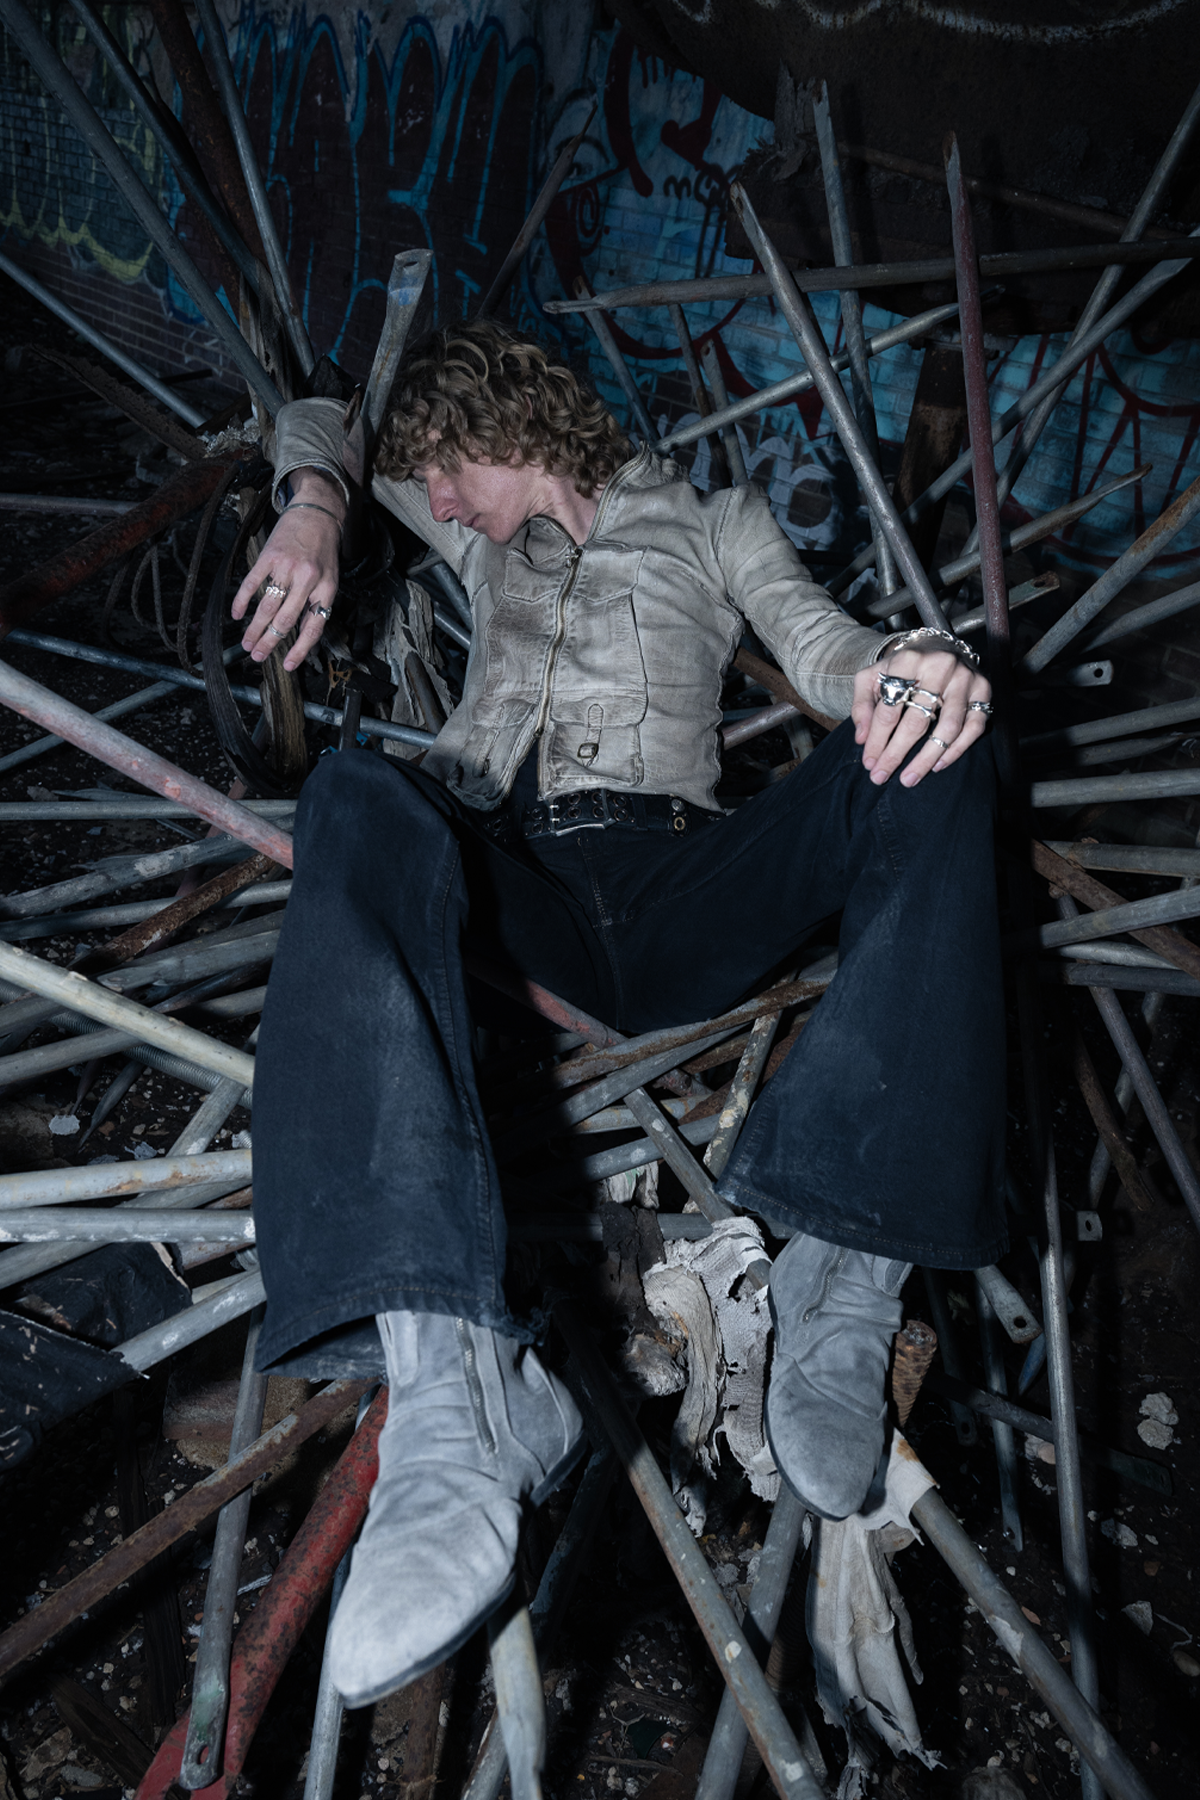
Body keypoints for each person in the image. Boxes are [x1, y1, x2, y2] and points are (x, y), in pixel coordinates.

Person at [232, 320, 1006, 1709]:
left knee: (934, 751)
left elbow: (831, 654)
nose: (441, 506)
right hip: (513, 883)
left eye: (442, 475)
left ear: (492, 425)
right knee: (352, 797)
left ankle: (847, 1272)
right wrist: (313, 501)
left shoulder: (716, 521)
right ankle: (450, 1391)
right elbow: (321, 416)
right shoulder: (473, 544)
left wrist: (918, 663)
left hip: (682, 882)